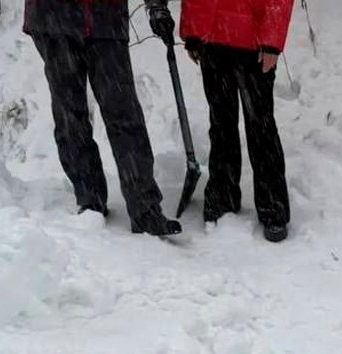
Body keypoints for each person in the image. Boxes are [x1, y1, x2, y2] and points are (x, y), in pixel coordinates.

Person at [24, 0, 181, 236]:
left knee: (124, 113)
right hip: (54, 17)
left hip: (105, 19)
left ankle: (145, 209)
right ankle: (90, 201)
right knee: (70, 116)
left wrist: (156, 5)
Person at [146, 0, 295, 242]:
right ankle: (222, 198)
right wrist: (194, 31)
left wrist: (271, 41)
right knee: (221, 125)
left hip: (254, 43)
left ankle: (272, 206)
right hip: (214, 40)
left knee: (261, 128)